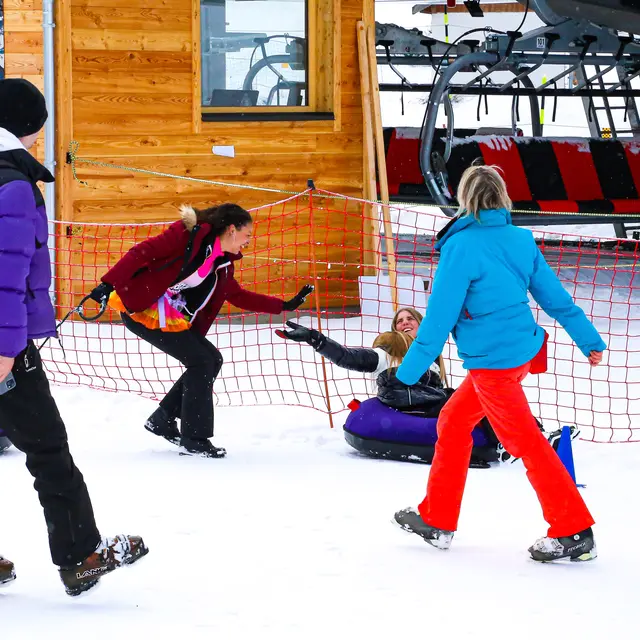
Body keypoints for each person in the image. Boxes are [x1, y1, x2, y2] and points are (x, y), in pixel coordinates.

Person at [392, 164, 606, 563]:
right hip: (518, 353)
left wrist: (406, 372)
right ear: (501, 196)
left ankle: (573, 530)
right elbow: (556, 299)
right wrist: (588, 340)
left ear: (465, 199)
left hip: (492, 365)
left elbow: (439, 318)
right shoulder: (520, 240)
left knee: (525, 443)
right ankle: (436, 518)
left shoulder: (461, 247)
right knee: (453, 422)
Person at [0, 78, 148, 596]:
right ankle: (81, 554)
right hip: (4, 348)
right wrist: (4, 352)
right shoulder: (13, 184)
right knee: (48, 451)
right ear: (33, 127)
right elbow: (6, 272)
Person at [90, 203, 313, 458]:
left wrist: (284, 305)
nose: (248, 241)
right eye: (247, 234)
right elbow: (143, 252)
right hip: (143, 307)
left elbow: (237, 296)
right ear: (231, 229)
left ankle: (163, 419)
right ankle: (194, 438)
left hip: (168, 313)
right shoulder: (188, 235)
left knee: (209, 360)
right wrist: (107, 284)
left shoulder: (223, 263)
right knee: (203, 361)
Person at [276, 306, 501, 465]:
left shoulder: (432, 362)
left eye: (409, 319)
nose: (404, 322)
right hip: (407, 408)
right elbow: (347, 357)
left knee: (479, 393)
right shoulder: (386, 355)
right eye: (399, 321)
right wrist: (315, 339)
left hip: (431, 408)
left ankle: (509, 434)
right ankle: (501, 441)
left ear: (420, 326)